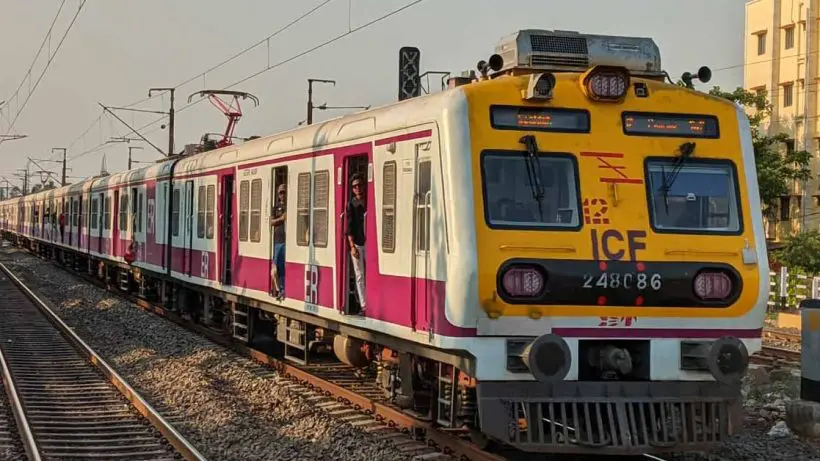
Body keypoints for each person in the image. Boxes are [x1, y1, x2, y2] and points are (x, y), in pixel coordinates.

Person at [345, 174, 366, 314]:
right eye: (354, 186)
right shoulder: (351, 205)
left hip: (369, 241)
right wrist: (352, 246)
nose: (357, 188)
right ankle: (363, 305)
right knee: (359, 275)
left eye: (359, 185)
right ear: (352, 189)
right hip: (357, 243)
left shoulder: (368, 201)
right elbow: (349, 227)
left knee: (369, 273)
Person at [270, 184, 287, 299]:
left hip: (287, 241)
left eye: (284, 192)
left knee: (283, 267)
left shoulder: (290, 206)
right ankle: (278, 289)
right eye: (281, 192)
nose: (283, 195)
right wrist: (281, 218)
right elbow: (271, 222)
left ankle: (282, 290)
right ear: (278, 194)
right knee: (275, 269)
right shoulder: (275, 207)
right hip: (278, 241)